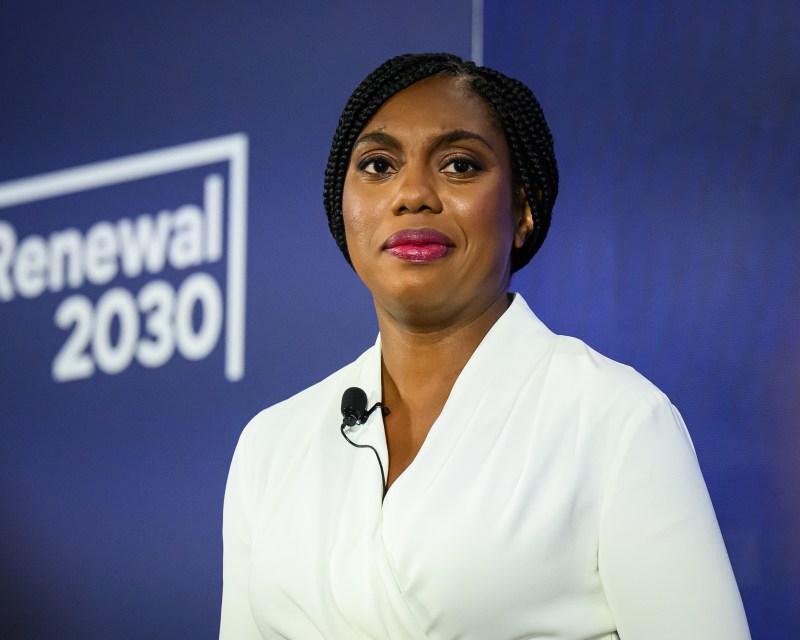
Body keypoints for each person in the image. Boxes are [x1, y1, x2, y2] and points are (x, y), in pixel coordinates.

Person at [220, 53, 751, 639]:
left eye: (458, 165)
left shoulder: (615, 420)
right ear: (341, 208)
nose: (412, 193)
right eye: (377, 165)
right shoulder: (270, 448)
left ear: (524, 207)